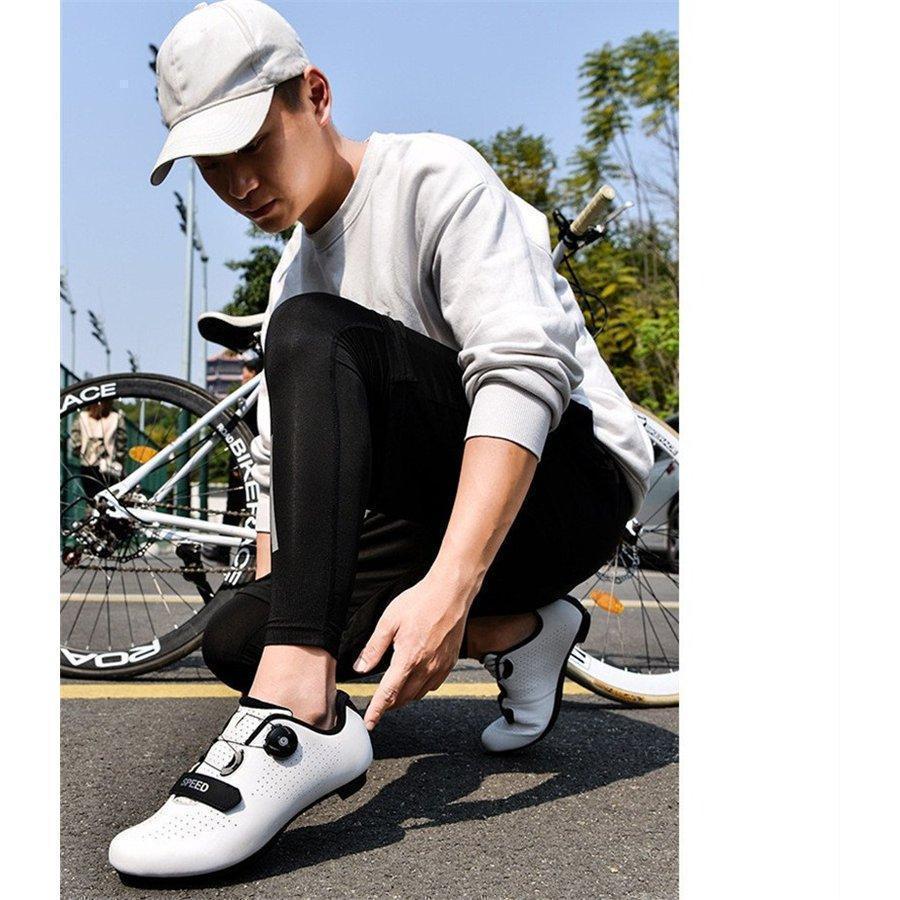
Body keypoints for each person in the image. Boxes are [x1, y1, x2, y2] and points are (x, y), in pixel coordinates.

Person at [108, 0, 653, 880]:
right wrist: (288, 612)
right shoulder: (292, 278)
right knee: (241, 634)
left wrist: (448, 585)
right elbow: (285, 480)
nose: (239, 181)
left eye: (252, 143)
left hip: (567, 485)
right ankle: (519, 631)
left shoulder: (432, 176)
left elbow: (522, 375)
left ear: (316, 95)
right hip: (436, 508)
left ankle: (300, 722)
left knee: (313, 330)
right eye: (211, 165)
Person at [70, 399, 126, 500]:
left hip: (87, 464)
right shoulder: (116, 417)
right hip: (109, 465)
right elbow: (121, 444)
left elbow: (75, 440)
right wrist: (119, 459)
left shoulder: (82, 416)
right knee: (110, 498)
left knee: (92, 498)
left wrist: (81, 451)